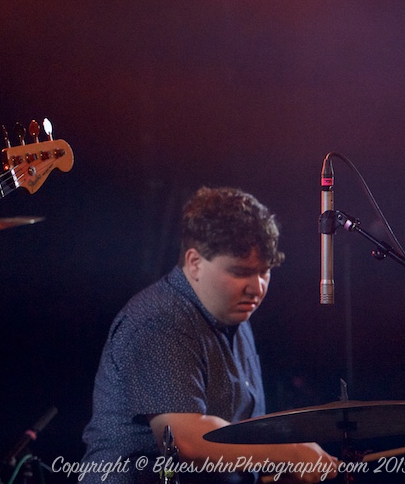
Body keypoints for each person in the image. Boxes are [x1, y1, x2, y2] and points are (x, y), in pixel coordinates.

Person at [78, 187, 338, 483]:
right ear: (194, 263)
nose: (257, 288)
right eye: (241, 272)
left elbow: (241, 438)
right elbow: (185, 441)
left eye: (264, 272)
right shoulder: (161, 319)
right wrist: (288, 453)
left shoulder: (233, 314)